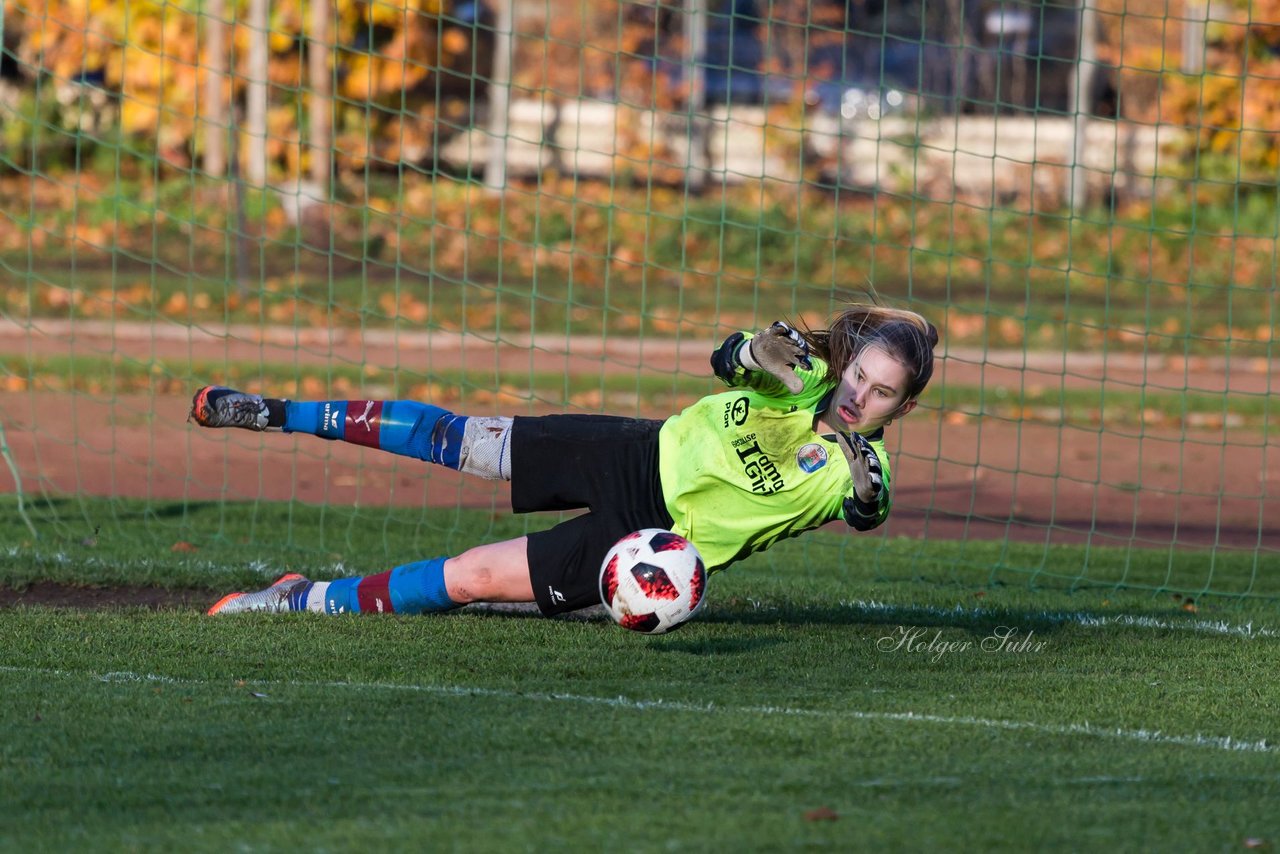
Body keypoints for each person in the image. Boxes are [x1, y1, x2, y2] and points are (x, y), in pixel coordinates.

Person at [191, 304, 938, 617]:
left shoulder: (854, 472)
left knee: (471, 579)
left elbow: (865, 514)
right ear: (846, 364)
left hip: (648, 547)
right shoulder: (800, 375)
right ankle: (275, 413)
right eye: (859, 376)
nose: (858, 397)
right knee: (457, 438)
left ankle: (295, 599)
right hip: (629, 453)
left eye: (881, 395)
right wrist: (748, 350)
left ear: (900, 410)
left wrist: (867, 494)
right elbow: (725, 358)